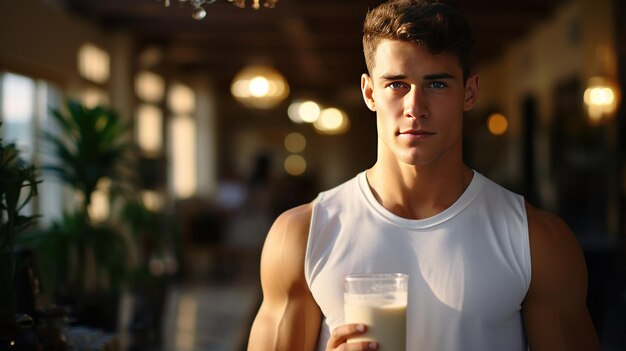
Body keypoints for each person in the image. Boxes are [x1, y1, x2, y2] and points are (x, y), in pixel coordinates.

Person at [247, 0, 600, 350]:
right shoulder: (301, 236)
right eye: (397, 85)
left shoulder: (537, 240)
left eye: (437, 85)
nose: (415, 108)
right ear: (370, 93)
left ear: (470, 92)